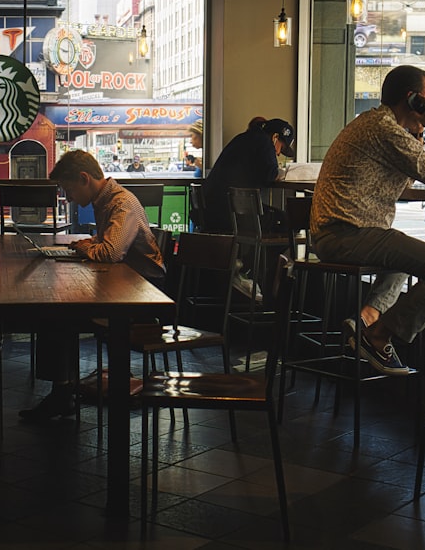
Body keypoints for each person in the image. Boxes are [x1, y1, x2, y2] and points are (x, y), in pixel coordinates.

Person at [310, 65, 425, 375]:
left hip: (341, 234)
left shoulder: (376, 124)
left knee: (404, 255)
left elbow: (403, 184)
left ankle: (366, 319)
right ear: (413, 99)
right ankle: (378, 335)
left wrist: (417, 138)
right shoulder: (384, 129)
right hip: (348, 235)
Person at [18, 150, 165, 421]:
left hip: (144, 297)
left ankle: (62, 392)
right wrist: (90, 245)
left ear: (84, 178)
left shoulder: (121, 203)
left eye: (69, 188)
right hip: (126, 287)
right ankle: (63, 389)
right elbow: (106, 246)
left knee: (56, 313)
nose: (68, 196)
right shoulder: (105, 200)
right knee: (56, 311)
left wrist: (87, 245)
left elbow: (110, 252)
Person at [201, 117, 295, 234]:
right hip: (231, 213)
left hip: (212, 208)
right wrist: (284, 172)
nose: (278, 153)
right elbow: (270, 175)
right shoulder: (265, 143)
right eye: (281, 147)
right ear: (275, 137)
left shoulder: (243, 138)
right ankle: (258, 253)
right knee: (290, 221)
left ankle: (253, 252)